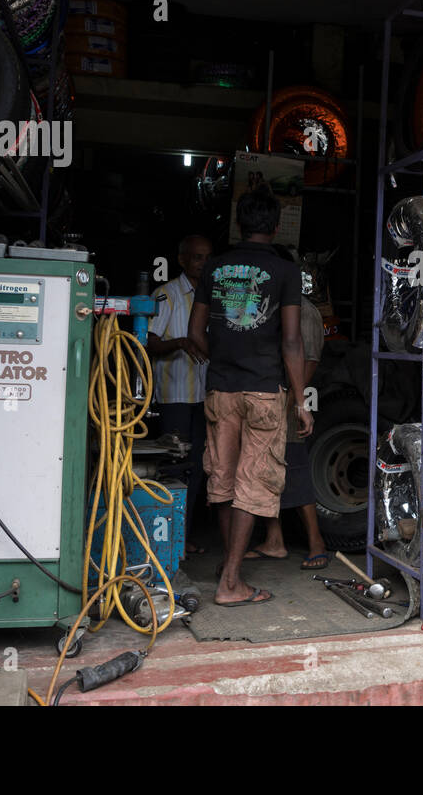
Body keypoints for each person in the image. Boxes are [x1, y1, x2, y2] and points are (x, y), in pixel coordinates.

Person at [189, 189, 313, 606]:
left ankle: (229, 566)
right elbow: (292, 342)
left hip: (220, 390)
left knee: (222, 481)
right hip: (263, 390)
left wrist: (223, 359)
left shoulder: (215, 267)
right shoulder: (284, 270)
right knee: (252, 482)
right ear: (276, 227)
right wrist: (300, 399)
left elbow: (194, 334)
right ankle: (231, 582)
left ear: (238, 225)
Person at [243, 247, 330, 570]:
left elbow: (309, 360)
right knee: (268, 471)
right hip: (274, 398)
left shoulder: (304, 311)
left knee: (294, 469)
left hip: (289, 401)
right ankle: (275, 540)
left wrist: (294, 402)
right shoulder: (277, 306)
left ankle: (316, 542)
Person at [145, 234, 211, 555]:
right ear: (183, 260)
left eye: (207, 258)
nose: (203, 264)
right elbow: (149, 342)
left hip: (202, 397)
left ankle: (182, 536)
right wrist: (183, 342)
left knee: (197, 467)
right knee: (174, 467)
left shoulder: (211, 295)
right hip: (174, 397)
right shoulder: (167, 294)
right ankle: (166, 541)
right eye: (197, 258)